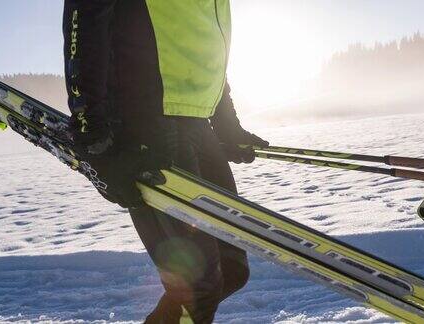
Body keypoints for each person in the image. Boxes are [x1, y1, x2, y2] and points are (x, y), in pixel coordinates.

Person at [62, 1, 269, 323]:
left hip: (195, 119)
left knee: (230, 269)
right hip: (146, 119)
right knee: (197, 288)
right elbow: (85, 14)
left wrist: (225, 121)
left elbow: (203, 39)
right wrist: (91, 128)